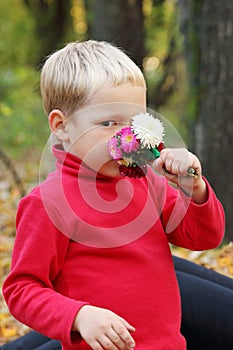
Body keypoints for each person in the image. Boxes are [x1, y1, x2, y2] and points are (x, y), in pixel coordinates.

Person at [2, 40, 225, 350]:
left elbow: (204, 238)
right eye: (108, 123)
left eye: (134, 122)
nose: (125, 136)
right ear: (62, 126)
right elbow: (22, 290)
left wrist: (193, 187)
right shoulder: (48, 203)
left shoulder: (146, 181)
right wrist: (79, 315)